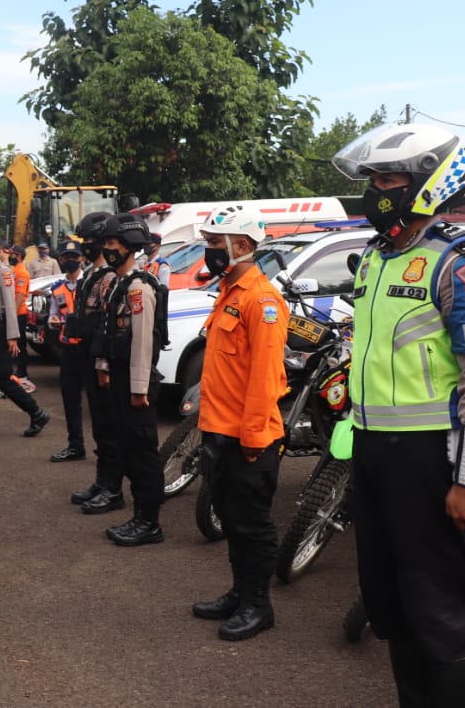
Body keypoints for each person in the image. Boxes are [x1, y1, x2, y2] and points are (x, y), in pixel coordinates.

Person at [333, 124, 465, 706]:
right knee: (389, 602)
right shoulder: (375, 260)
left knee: (439, 609)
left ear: (428, 185)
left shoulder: (461, 264)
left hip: (431, 458)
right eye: (374, 181)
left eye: (387, 180)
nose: (376, 193)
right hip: (372, 450)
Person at [191, 204, 288, 641]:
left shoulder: (262, 300)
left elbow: (266, 379)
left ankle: (258, 605)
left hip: (249, 438)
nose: (208, 252)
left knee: (253, 524)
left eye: (214, 244)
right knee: (231, 519)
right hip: (220, 430)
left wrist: (250, 439)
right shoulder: (229, 292)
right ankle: (238, 592)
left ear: (242, 246)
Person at [94, 215, 164, 547]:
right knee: (128, 449)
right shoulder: (117, 284)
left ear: (128, 246)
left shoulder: (139, 286)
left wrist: (139, 388)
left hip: (138, 383)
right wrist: (104, 365)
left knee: (142, 453)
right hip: (121, 378)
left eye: (112, 244)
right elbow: (110, 333)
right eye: (106, 244)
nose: (107, 250)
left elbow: (142, 342)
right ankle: (139, 517)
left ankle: (149, 522)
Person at [69, 212, 127, 515]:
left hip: (101, 360)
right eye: (86, 241)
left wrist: (102, 364)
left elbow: (107, 324)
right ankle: (102, 481)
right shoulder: (92, 272)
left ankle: (113, 489)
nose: (87, 246)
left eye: (93, 241)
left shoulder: (108, 277)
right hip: (87, 355)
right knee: (100, 427)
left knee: (109, 425)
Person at [0, 232, 50, 438]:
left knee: (2, 377)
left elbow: (10, 307)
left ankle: (36, 412)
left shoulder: (3, 272)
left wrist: (12, 337)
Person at [46, 241, 87, 463]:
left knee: (100, 402)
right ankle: (75, 445)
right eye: (66, 256)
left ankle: (109, 448)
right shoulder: (57, 289)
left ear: (82, 258)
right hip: (68, 348)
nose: (70, 260)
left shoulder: (90, 284)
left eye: (74, 256)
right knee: (70, 400)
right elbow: (54, 315)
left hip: (88, 348)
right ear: (61, 260)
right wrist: (53, 321)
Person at [9, 245, 34, 387]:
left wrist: (11, 315)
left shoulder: (22, 273)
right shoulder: (15, 270)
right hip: (16, 313)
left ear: (18, 256)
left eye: (12, 254)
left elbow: (19, 296)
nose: (10, 256)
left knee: (20, 344)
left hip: (19, 314)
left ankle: (22, 371)